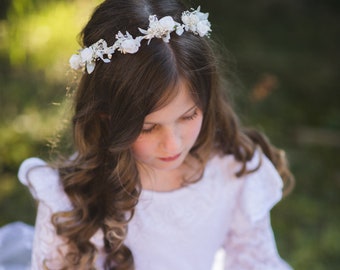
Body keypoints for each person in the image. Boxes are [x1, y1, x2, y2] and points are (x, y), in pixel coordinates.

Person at [18, 0, 294, 269]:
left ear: (208, 101)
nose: (172, 143)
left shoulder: (232, 168)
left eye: (188, 116)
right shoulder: (73, 197)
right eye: (148, 128)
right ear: (107, 116)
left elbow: (255, 261)